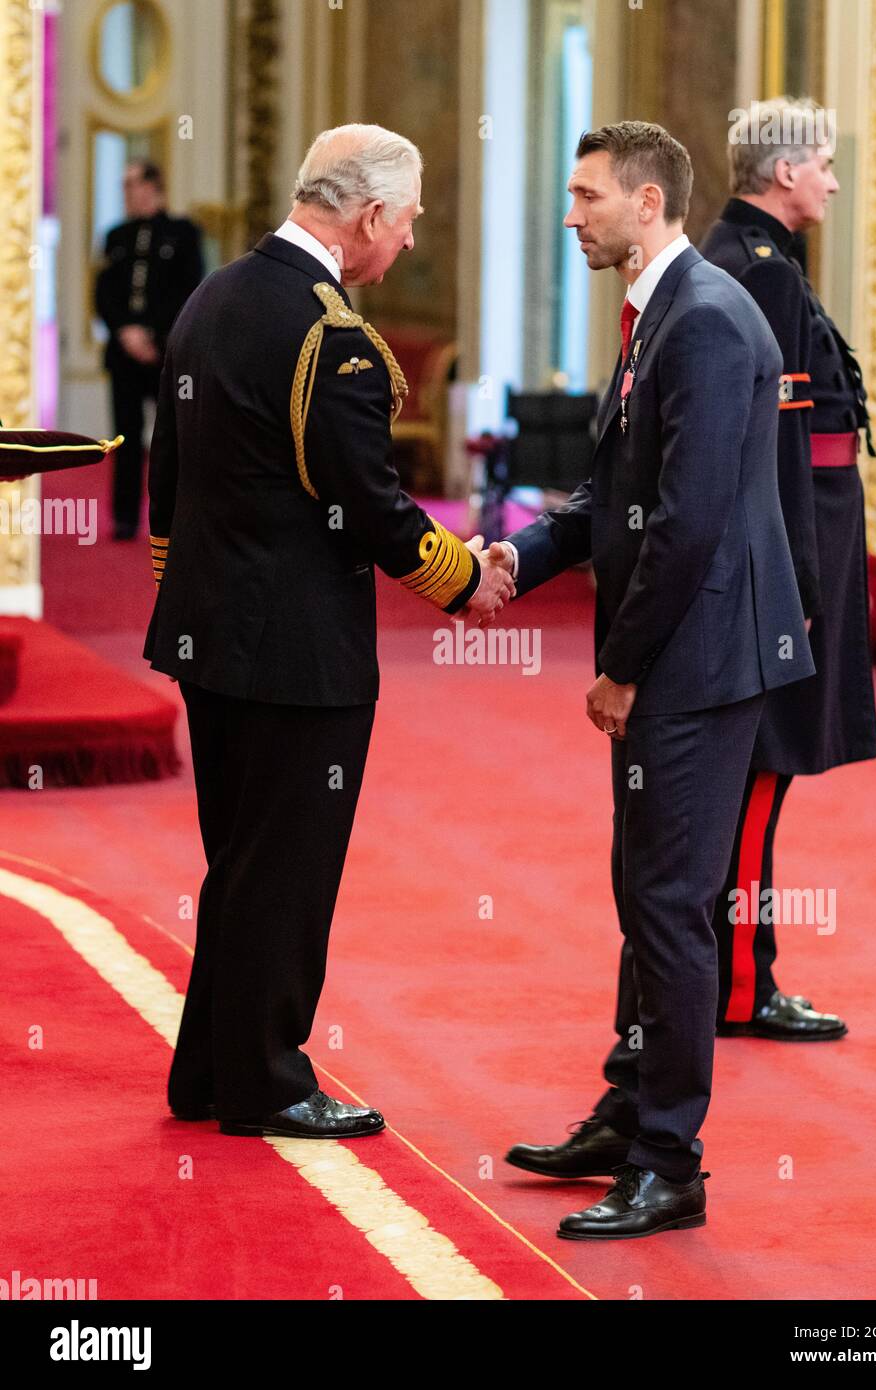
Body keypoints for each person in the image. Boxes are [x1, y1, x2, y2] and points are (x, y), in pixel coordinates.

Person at [143, 124, 513, 1141]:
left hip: (210, 637)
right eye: (410, 217)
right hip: (297, 651)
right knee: (288, 869)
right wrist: (462, 578)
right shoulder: (329, 333)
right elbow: (371, 502)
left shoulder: (213, 295)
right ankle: (267, 1078)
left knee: (243, 860)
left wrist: (186, 601)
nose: (409, 237)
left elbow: (164, 474)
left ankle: (210, 1070)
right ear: (368, 216)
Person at [494, 122, 814, 1239]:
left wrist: (623, 667)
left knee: (672, 908)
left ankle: (670, 1160)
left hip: (701, 658)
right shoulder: (658, 316)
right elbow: (607, 494)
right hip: (686, 648)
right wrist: (513, 562)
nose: (571, 214)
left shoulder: (710, 321)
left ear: (647, 199)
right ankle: (630, 1113)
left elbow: (687, 522)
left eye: (585, 195)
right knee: (649, 895)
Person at [693, 97, 876, 1040]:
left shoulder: (757, 262)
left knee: (763, 780)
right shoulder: (756, 274)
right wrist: (799, 585)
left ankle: (744, 976)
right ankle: (739, 986)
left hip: (801, 548)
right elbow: (773, 447)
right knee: (762, 775)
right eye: (825, 164)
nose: (834, 182)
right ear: (784, 172)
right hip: (790, 559)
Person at [95, 160, 203, 539]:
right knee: (124, 436)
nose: (126, 192)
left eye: (132, 184)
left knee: (173, 439)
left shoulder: (183, 233)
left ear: (153, 187)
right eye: (123, 185)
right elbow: (104, 292)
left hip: (165, 355)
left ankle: (174, 518)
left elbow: (190, 291)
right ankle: (125, 518)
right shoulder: (115, 236)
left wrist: (155, 337)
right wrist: (126, 331)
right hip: (124, 354)